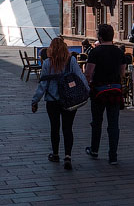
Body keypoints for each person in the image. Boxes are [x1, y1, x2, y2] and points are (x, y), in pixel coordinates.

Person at [32, 37, 87, 170]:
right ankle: (68, 156)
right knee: (68, 128)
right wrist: (87, 91)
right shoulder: (71, 61)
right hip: (69, 100)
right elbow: (80, 77)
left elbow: (43, 84)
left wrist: (35, 100)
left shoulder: (47, 63)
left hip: (52, 100)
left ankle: (55, 154)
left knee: (54, 128)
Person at [84, 23, 125, 165]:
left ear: (99, 37)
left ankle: (94, 150)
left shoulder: (95, 52)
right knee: (114, 124)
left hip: (98, 91)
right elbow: (122, 72)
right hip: (115, 91)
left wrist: (88, 83)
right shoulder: (119, 52)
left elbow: (88, 73)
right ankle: (113, 155)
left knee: (97, 121)